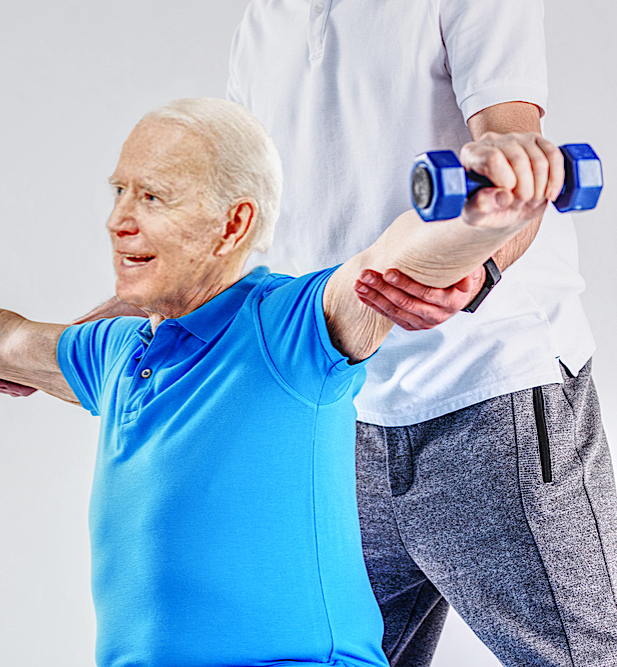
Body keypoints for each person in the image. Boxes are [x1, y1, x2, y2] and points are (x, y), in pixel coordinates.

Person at [0, 98, 567, 667]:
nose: (119, 219)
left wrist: (491, 207)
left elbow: (394, 257)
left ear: (233, 224)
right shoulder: (120, 354)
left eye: (152, 196)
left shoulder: (286, 327)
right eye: (119, 191)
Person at [222, 2, 617, 666]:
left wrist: (479, 263)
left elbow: (511, 143)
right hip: (344, 419)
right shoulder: (263, 20)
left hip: (493, 402)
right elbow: (239, 228)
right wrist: (100, 327)